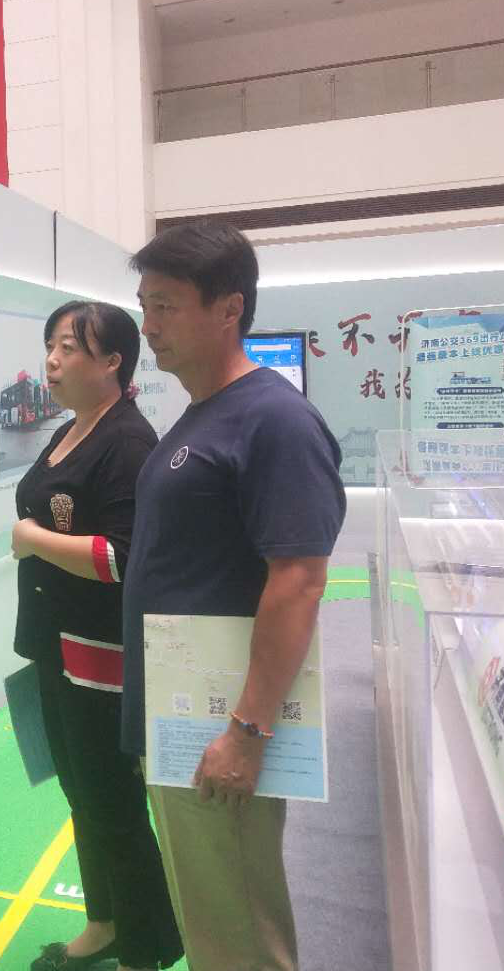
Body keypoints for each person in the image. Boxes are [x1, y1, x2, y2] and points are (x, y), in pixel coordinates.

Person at [123, 221, 345, 971]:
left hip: (221, 726)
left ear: (229, 309)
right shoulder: (202, 413)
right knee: (211, 921)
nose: (149, 326)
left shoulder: (274, 420)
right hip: (180, 713)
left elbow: (300, 580)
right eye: (145, 306)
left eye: (166, 306)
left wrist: (246, 732)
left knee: (238, 926)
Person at [14, 300, 182, 971]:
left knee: (112, 805)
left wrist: (33, 539)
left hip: (100, 657)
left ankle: (146, 949)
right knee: (82, 796)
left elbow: (122, 556)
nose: (52, 360)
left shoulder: (128, 442)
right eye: (51, 345)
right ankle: (105, 924)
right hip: (55, 643)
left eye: (69, 348)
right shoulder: (73, 428)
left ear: (113, 362)